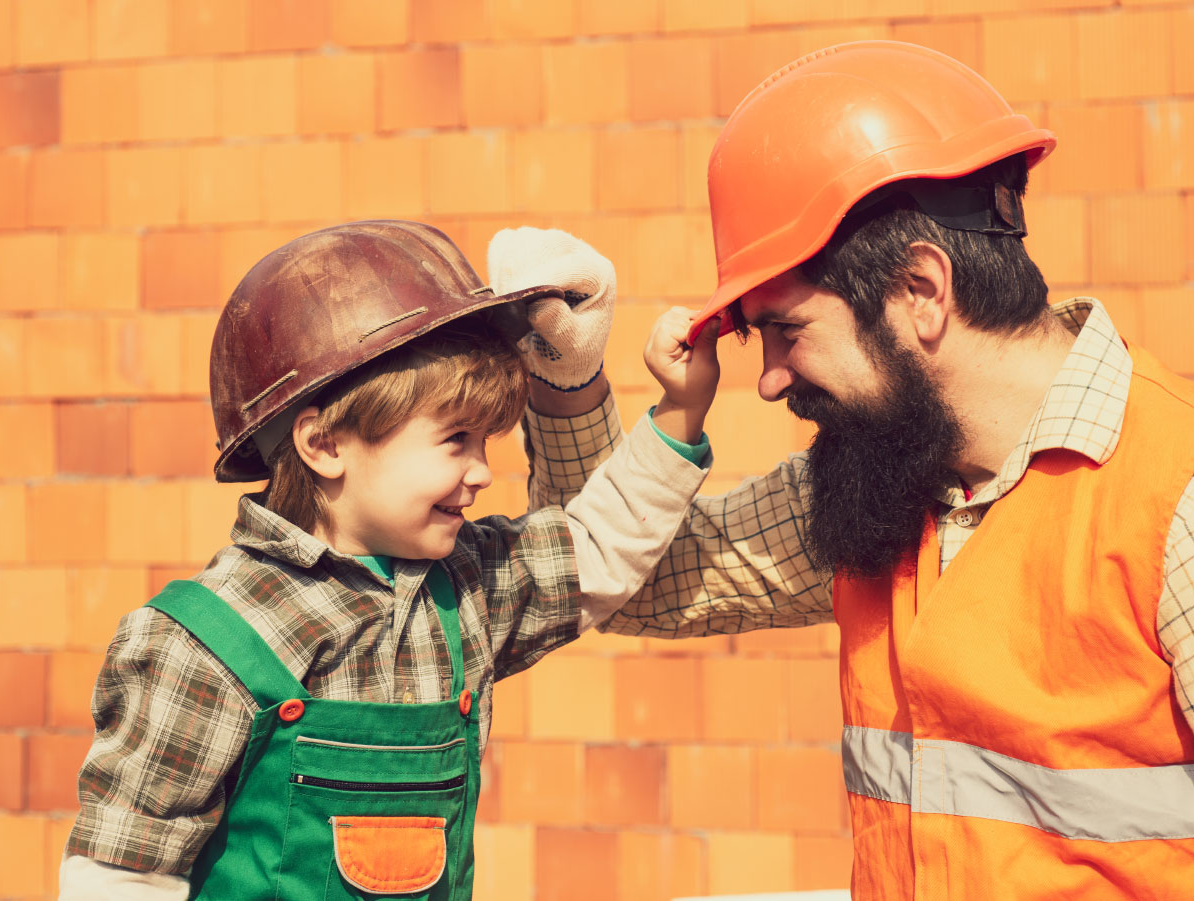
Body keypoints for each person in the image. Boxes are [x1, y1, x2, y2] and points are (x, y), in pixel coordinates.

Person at [514, 41, 1194, 900]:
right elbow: (624, 581)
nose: (771, 377)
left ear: (922, 290)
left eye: (785, 328)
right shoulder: (890, 485)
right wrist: (567, 379)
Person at [58, 221, 721, 900]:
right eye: (455, 439)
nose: (482, 472)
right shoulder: (203, 644)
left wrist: (680, 410)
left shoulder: (466, 588)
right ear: (324, 444)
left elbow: (599, 546)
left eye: (486, 441)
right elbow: (121, 874)